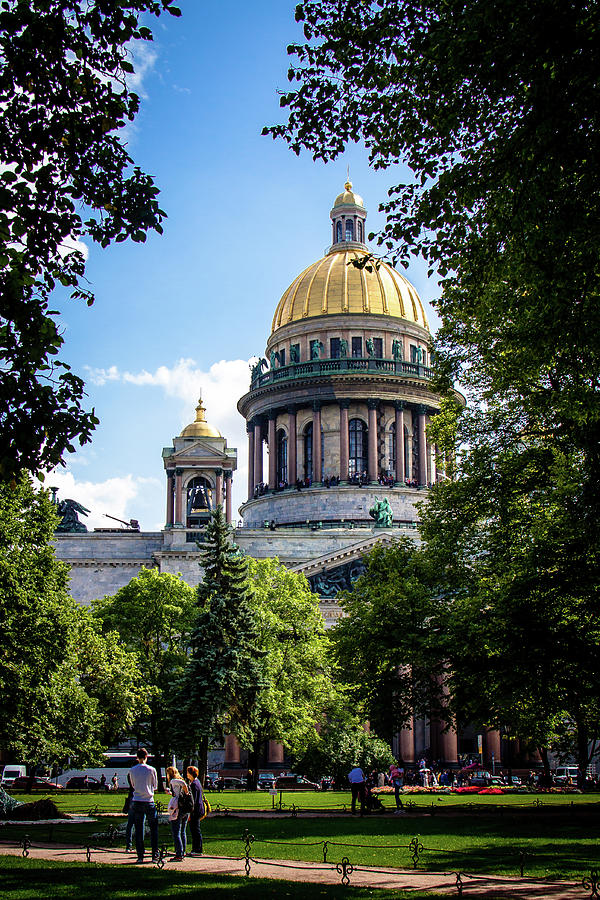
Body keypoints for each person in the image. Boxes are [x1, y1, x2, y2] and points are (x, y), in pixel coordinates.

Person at [129, 747, 159, 864]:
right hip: (149, 800)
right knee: (153, 829)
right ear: (146, 757)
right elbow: (155, 786)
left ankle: (140, 855)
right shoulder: (151, 770)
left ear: (137, 757)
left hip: (137, 800)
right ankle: (154, 855)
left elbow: (133, 785)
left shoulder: (132, 770)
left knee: (139, 829)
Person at [166, 765, 191, 862]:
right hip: (185, 808)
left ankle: (179, 854)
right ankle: (182, 851)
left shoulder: (173, 781)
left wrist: (187, 792)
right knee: (182, 831)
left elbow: (183, 784)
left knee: (176, 832)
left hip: (178, 808)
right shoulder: (178, 780)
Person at [186, 765, 204, 856]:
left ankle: (197, 849)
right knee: (195, 830)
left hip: (195, 811)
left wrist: (190, 813)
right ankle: (196, 848)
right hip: (198, 809)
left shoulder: (193, 784)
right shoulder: (197, 782)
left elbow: (193, 800)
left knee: (195, 830)